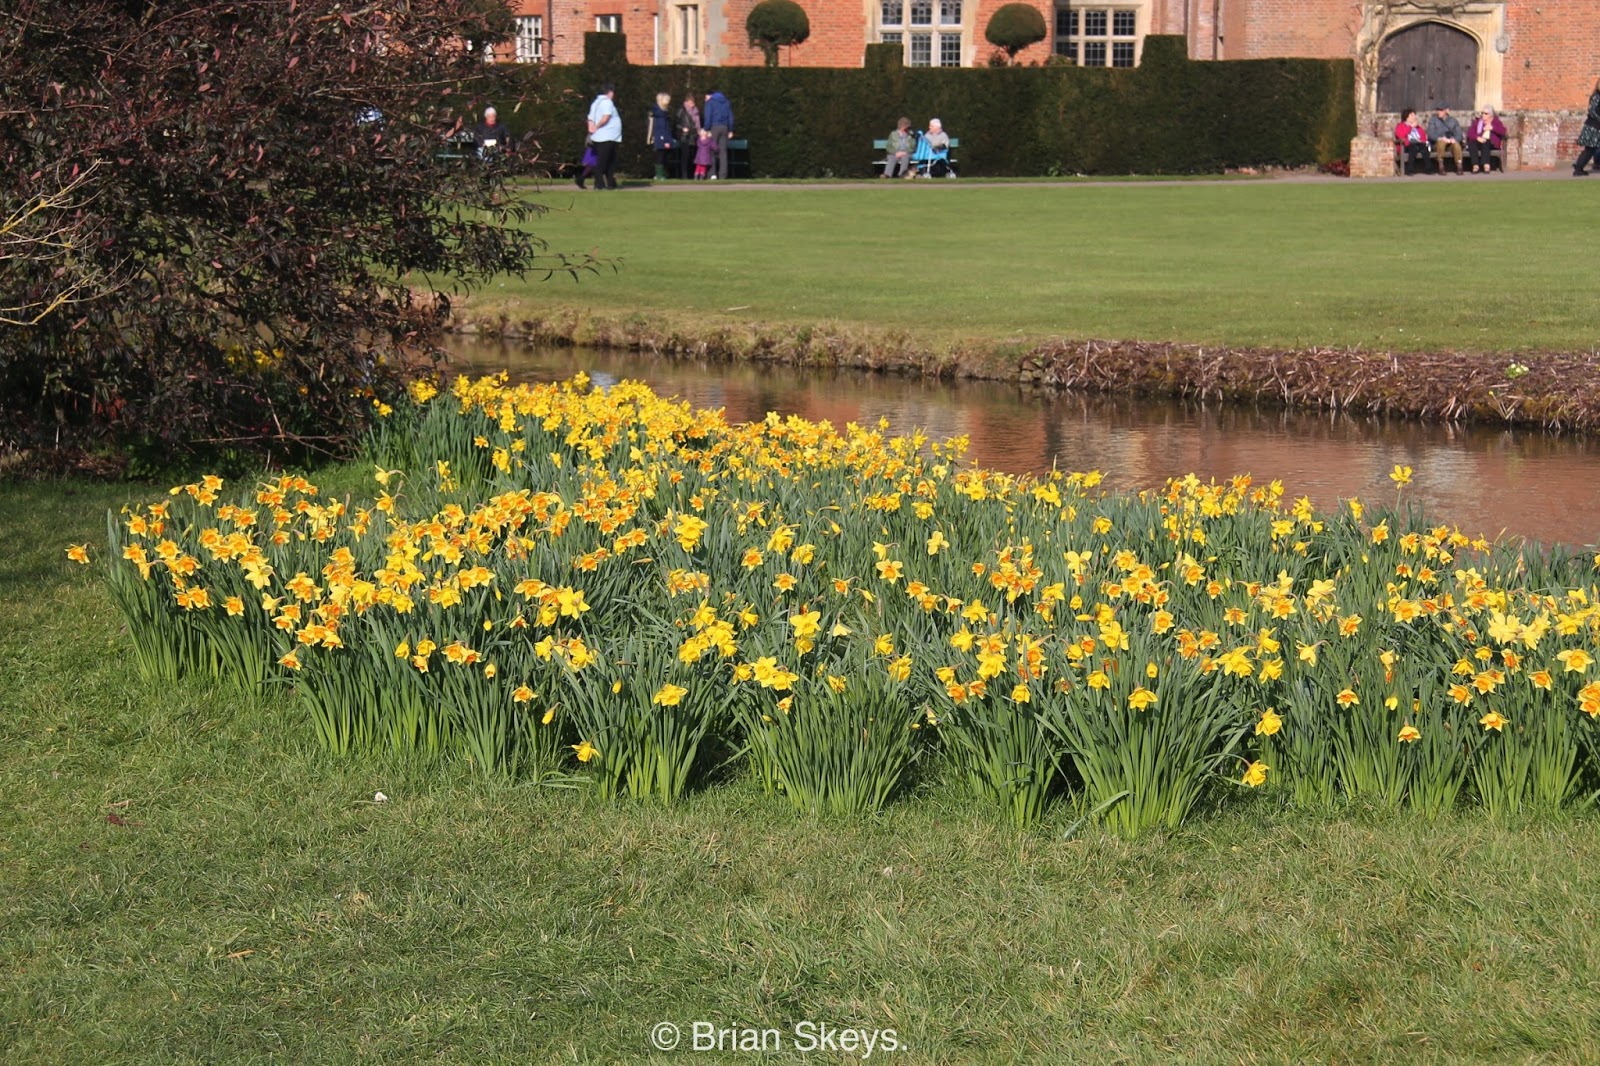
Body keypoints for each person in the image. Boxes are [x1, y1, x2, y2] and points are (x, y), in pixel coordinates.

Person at [582, 83, 621, 190]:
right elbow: (606, 117)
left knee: (607, 161)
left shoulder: (596, 102)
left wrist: (591, 128)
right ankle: (599, 184)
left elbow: (590, 118)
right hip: (607, 136)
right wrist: (597, 126)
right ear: (611, 92)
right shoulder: (607, 102)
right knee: (605, 162)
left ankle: (610, 183)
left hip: (601, 136)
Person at [703, 89, 734, 180]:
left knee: (711, 151)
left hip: (714, 127)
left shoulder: (710, 102)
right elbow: (730, 117)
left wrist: (706, 129)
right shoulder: (726, 102)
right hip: (724, 127)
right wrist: (730, 130)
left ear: (709, 95)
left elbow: (708, 117)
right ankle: (723, 175)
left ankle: (712, 174)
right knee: (723, 152)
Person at [1427, 105, 1464, 174]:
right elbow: (1430, 134)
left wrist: (1454, 139)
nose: (1439, 112)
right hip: (1437, 144)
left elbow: (1460, 135)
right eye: (1438, 110)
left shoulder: (1453, 120)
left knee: (1456, 144)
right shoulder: (1433, 120)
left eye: (1441, 110)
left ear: (1446, 111)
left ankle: (1459, 166)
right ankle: (1441, 166)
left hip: (1450, 143)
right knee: (1441, 142)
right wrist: (1440, 138)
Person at [1467, 108, 1506, 173]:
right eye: (1482, 113)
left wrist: (1492, 128)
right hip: (1479, 140)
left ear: (1490, 115)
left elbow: (1503, 131)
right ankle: (1475, 165)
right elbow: (1470, 133)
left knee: (1486, 142)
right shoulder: (1477, 122)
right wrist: (1477, 138)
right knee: (1472, 143)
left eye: (1485, 113)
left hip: (1492, 142)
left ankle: (1486, 165)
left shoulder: (1496, 122)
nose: (1483, 115)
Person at [646, 92, 675, 181]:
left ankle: (660, 174)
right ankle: (659, 174)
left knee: (660, 156)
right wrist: (666, 141)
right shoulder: (661, 114)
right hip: (661, 138)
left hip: (660, 138)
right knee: (660, 157)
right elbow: (662, 129)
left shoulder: (659, 113)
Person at [1575, 77, 1600, 176]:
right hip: (1593, 127)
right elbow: (1592, 111)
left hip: (1596, 126)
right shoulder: (1596, 96)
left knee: (1591, 149)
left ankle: (1579, 168)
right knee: (1590, 149)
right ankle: (1578, 169)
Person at [1395, 109, 1431, 175]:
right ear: (1407, 117)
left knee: (1425, 147)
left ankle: (1428, 168)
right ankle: (1409, 170)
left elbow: (1423, 137)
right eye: (1412, 115)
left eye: (1414, 115)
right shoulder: (1400, 126)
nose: (1414, 117)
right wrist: (1410, 127)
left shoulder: (1417, 127)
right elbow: (1401, 135)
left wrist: (1423, 141)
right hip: (1406, 145)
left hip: (1418, 144)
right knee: (1413, 147)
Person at [675, 93, 702, 180]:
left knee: (692, 156)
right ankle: (684, 175)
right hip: (685, 136)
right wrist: (682, 129)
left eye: (693, 102)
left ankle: (691, 175)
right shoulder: (681, 110)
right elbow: (676, 124)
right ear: (687, 101)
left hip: (694, 136)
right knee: (685, 156)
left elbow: (697, 124)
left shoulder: (696, 111)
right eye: (691, 102)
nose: (692, 104)